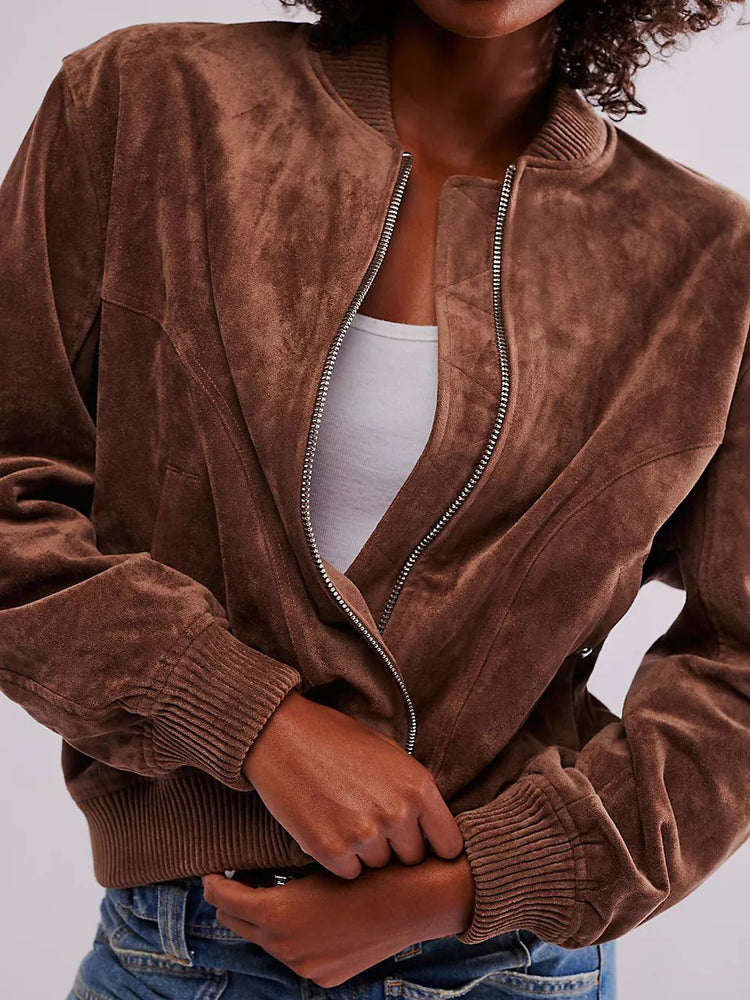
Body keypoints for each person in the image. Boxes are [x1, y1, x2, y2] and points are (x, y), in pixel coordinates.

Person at [1, 1, 749, 997]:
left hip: (516, 969)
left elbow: (739, 671)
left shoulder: (708, 260)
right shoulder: (152, 103)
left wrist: (477, 881)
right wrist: (252, 720)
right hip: (186, 951)